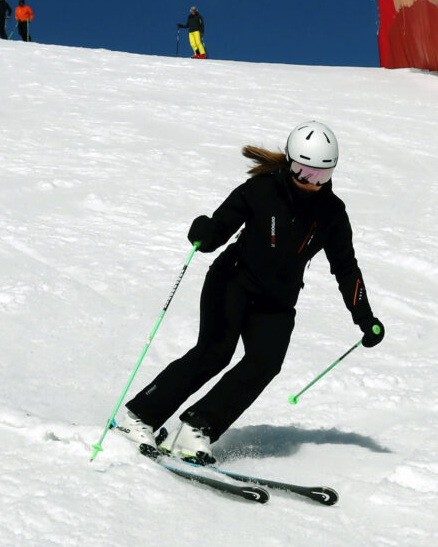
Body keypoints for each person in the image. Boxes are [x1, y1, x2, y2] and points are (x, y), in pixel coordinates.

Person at [116, 121, 385, 464]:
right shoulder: (259, 190)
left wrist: (364, 317)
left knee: (266, 362)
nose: (310, 182)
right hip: (232, 283)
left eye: (321, 175)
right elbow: (219, 228)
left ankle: (197, 428)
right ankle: (138, 418)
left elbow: (346, 268)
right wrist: (205, 232)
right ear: (289, 163)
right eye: (303, 172)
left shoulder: (332, 214)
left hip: (277, 301)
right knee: (215, 352)